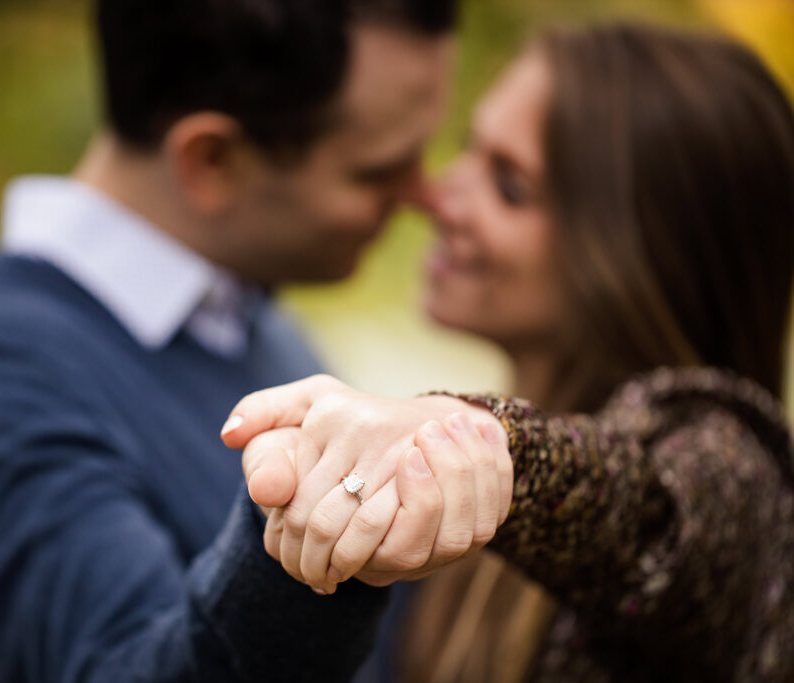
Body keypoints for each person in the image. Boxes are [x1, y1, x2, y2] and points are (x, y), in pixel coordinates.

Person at [0, 0, 470, 681]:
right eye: (376, 171)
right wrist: (318, 537)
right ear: (212, 160)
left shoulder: (245, 319)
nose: (428, 194)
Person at [223, 22, 794, 681]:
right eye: (470, 149)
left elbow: (638, 513)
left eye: (509, 185)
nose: (439, 196)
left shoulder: (730, 471)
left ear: (641, 253)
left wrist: (478, 440)